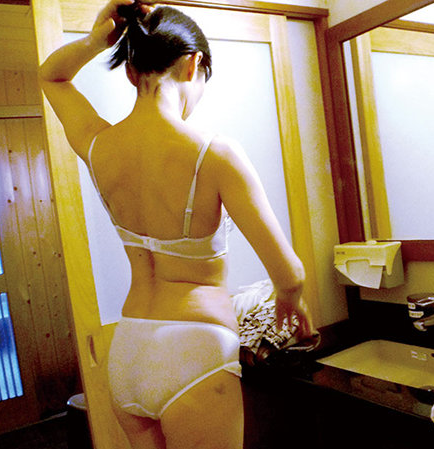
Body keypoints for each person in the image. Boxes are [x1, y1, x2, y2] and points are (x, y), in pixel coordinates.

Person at [38, 1, 313, 447]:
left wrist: (94, 41)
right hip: (195, 350)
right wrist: (290, 301)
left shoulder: (98, 145)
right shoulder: (215, 153)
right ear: (193, 64)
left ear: (131, 73)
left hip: (129, 350)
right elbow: (290, 274)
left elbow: (51, 77)